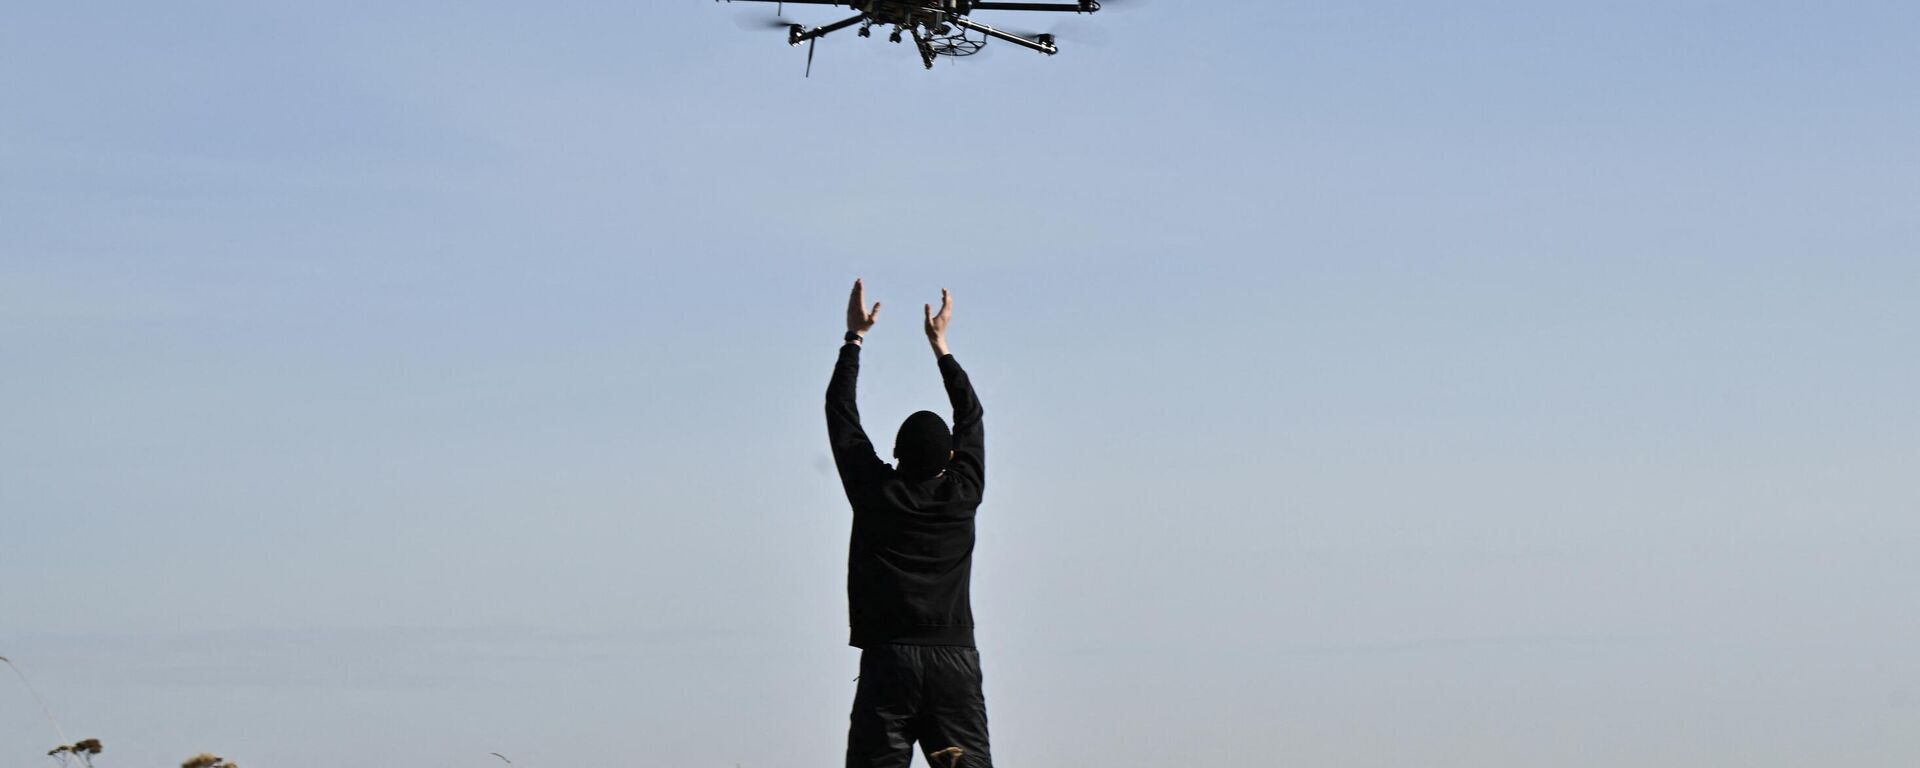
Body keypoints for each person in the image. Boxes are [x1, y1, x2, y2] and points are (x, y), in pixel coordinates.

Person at [826, 279, 992, 768]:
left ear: (895, 454)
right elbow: (973, 417)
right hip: (953, 663)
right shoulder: (963, 494)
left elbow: (842, 417)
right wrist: (942, 349)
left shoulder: (877, 493)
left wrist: (853, 340)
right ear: (952, 457)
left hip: (889, 661)